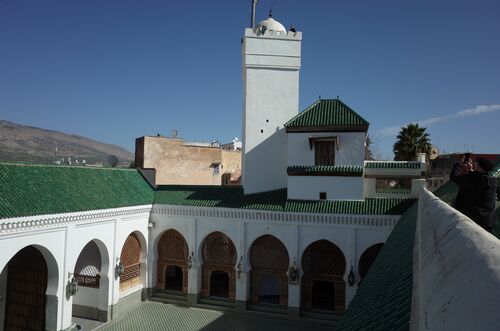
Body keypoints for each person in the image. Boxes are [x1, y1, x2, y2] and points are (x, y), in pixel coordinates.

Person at [450, 156, 498, 232]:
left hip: (470, 221)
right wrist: (471, 170)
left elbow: (454, 176)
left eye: (475, 164)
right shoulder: (493, 181)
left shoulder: (472, 179)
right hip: (486, 222)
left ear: (479, 167)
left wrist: (459, 164)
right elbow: (479, 177)